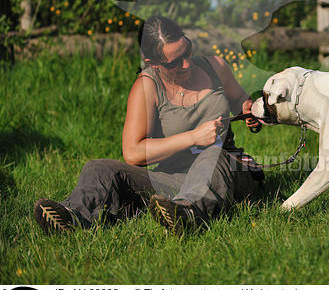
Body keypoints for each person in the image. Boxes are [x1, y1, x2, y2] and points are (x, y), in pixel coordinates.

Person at [34, 16, 264, 233]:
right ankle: (73, 216)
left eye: (188, 51)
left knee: (212, 155)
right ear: (152, 63)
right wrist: (193, 137)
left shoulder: (215, 66)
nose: (186, 64)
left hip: (227, 170)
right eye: (175, 62)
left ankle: (188, 213)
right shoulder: (146, 87)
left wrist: (247, 108)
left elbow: (238, 98)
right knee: (98, 167)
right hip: (173, 177)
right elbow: (133, 153)